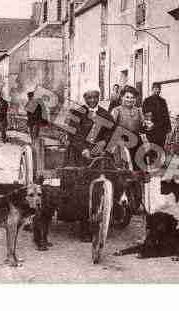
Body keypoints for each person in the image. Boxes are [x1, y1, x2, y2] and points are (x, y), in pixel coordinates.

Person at [63, 88, 115, 242]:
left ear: (99, 97)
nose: (92, 100)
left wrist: (104, 142)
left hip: (100, 154)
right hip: (79, 155)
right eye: (89, 97)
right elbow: (73, 135)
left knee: (108, 181)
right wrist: (83, 149)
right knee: (81, 189)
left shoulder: (106, 114)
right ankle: (84, 227)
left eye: (95, 97)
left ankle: (107, 215)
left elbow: (112, 132)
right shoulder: (77, 113)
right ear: (84, 97)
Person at [111, 85, 146, 170]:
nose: (130, 100)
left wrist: (148, 126)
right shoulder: (116, 111)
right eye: (127, 97)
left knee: (139, 165)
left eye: (132, 97)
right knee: (126, 167)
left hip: (137, 142)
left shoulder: (139, 111)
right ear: (122, 97)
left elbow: (143, 127)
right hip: (122, 142)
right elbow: (111, 128)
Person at [142, 82, 172, 165]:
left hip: (161, 128)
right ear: (152, 90)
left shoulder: (163, 101)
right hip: (151, 128)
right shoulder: (147, 100)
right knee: (152, 145)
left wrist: (169, 128)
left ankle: (160, 162)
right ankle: (151, 161)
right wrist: (147, 126)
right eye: (155, 89)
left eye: (159, 89)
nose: (157, 91)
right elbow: (145, 114)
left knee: (161, 145)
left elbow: (166, 115)